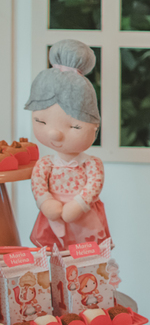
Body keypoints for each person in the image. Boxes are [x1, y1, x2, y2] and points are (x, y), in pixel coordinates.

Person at [26, 40, 110, 250]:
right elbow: (38, 184)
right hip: (52, 220)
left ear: (94, 126)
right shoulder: (45, 163)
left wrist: (79, 204)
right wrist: (45, 202)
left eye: (75, 126)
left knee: (85, 258)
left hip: (84, 219)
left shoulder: (91, 164)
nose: (54, 133)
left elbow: (93, 185)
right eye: (41, 122)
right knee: (54, 256)